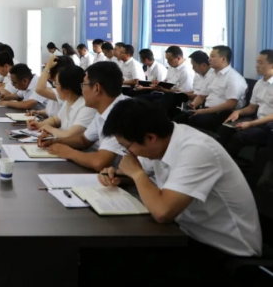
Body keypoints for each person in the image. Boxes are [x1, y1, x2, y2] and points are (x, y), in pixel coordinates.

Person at [98, 99, 261, 261]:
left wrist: (137, 174)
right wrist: (115, 174)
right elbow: (136, 171)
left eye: (126, 146)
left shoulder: (197, 150)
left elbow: (162, 212)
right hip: (185, 232)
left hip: (226, 252)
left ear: (150, 138)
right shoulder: (163, 141)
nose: (128, 152)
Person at [35, 62, 126, 171]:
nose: (81, 90)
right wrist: (54, 141)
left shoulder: (122, 113)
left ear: (96, 88)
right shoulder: (103, 109)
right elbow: (83, 140)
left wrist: (69, 153)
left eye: (83, 85)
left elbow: (100, 162)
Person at [175, 46, 247, 134]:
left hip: (223, 113)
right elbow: (202, 96)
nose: (209, 59)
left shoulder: (233, 78)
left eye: (212, 56)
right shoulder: (212, 75)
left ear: (223, 59)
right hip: (207, 110)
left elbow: (230, 105)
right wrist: (193, 105)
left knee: (194, 120)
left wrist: (204, 111)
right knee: (179, 119)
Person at [215, 49, 273, 156]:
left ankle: (228, 162)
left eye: (261, 63)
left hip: (268, 126)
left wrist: (251, 124)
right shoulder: (259, 83)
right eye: (257, 62)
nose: (256, 66)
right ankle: (217, 157)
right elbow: (251, 107)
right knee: (224, 129)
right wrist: (238, 112)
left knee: (239, 137)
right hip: (257, 120)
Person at [28, 65, 96, 140]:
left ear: (66, 88)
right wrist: (39, 124)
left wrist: (50, 129)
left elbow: (70, 135)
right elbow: (56, 120)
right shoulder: (68, 102)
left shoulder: (87, 107)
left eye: (56, 84)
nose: (55, 87)